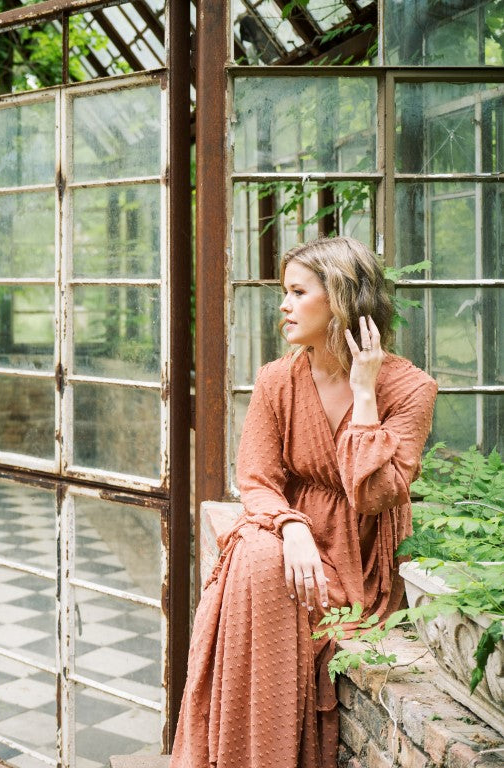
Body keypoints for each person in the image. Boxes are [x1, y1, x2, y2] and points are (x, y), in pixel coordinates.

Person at [171, 236, 438, 768]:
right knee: (255, 557)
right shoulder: (277, 379)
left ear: (340, 298)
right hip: (290, 535)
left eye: (298, 292)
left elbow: (373, 496)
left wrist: (365, 394)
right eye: (284, 292)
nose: (284, 306)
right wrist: (291, 529)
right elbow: (256, 479)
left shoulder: (411, 389)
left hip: (358, 560)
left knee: (258, 568)